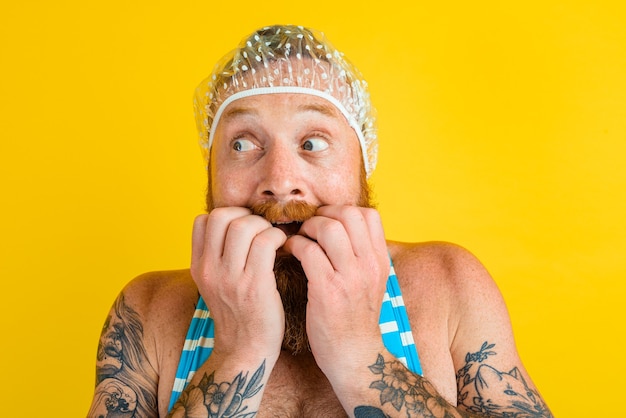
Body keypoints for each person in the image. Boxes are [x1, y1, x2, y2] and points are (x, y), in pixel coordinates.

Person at [88, 24, 553, 418]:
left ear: (362, 165)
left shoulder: (450, 285)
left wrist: (360, 357)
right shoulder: (146, 311)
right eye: (242, 143)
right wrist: (237, 353)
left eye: (313, 142)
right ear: (210, 170)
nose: (280, 181)